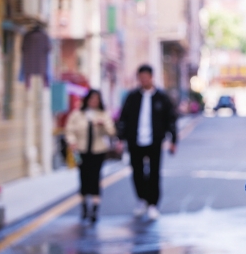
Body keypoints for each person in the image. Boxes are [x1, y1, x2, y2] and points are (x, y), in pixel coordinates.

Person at [117, 64, 177, 220]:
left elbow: (171, 119)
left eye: (146, 77)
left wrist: (173, 140)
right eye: (140, 77)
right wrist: (120, 139)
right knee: (137, 173)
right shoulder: (132, 97)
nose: (143, 80)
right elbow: (123, 119)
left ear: (151, 77)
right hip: (135, 141)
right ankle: (142, 200)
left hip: (154, 141)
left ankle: (153, 204)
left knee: (154, 174)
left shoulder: (162, 98)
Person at [65, 89, 119, 224]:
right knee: (83, 176)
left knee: (95, 177)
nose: (94, 101)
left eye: (96, 99)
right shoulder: (77, 114)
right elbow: (69, 131)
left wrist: (103, 125)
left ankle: (95, 208)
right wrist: (72, 142)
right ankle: (84, 206)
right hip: (80, 151)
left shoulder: (103, 114)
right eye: (92, 99)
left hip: (98, 151)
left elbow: (112, 132)